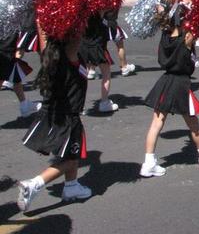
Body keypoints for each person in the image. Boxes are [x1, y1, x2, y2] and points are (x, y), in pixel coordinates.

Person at [17, 36, 92, 212]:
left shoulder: (49, 53)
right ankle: (34, 184)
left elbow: (43, 33)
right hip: (67, 117)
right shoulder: (70, 55)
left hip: (53, 112)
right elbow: (78, 33)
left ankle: (71, 186)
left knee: (70, 154)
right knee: (71, 158)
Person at [140, 19, 199, 177]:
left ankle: (148, 163)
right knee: (193, 123)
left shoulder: (164, 37)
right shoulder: (186, 39)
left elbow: (162, 59)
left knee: (156, 123)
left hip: (165, 82)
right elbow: (191, 63)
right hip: (181, 84)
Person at [79, 11, 118, 113]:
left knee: (82, 76)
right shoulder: (101, 12)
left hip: (83, 46)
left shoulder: (83, 11)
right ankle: (104, 102)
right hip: (98, 47)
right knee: (106, 74)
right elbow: (111, 29)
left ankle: (79, 104)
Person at [1, 32, 41, 118]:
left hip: (10, 37)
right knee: (8, 64)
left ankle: (24, 105)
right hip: (7, 39)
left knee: (13, 67)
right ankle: (24, 105)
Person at [104, 7, 135, 76]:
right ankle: (124, 67)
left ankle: (91, 69)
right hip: (112, 25)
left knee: (101, 47)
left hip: (102, 25)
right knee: (120, 46)